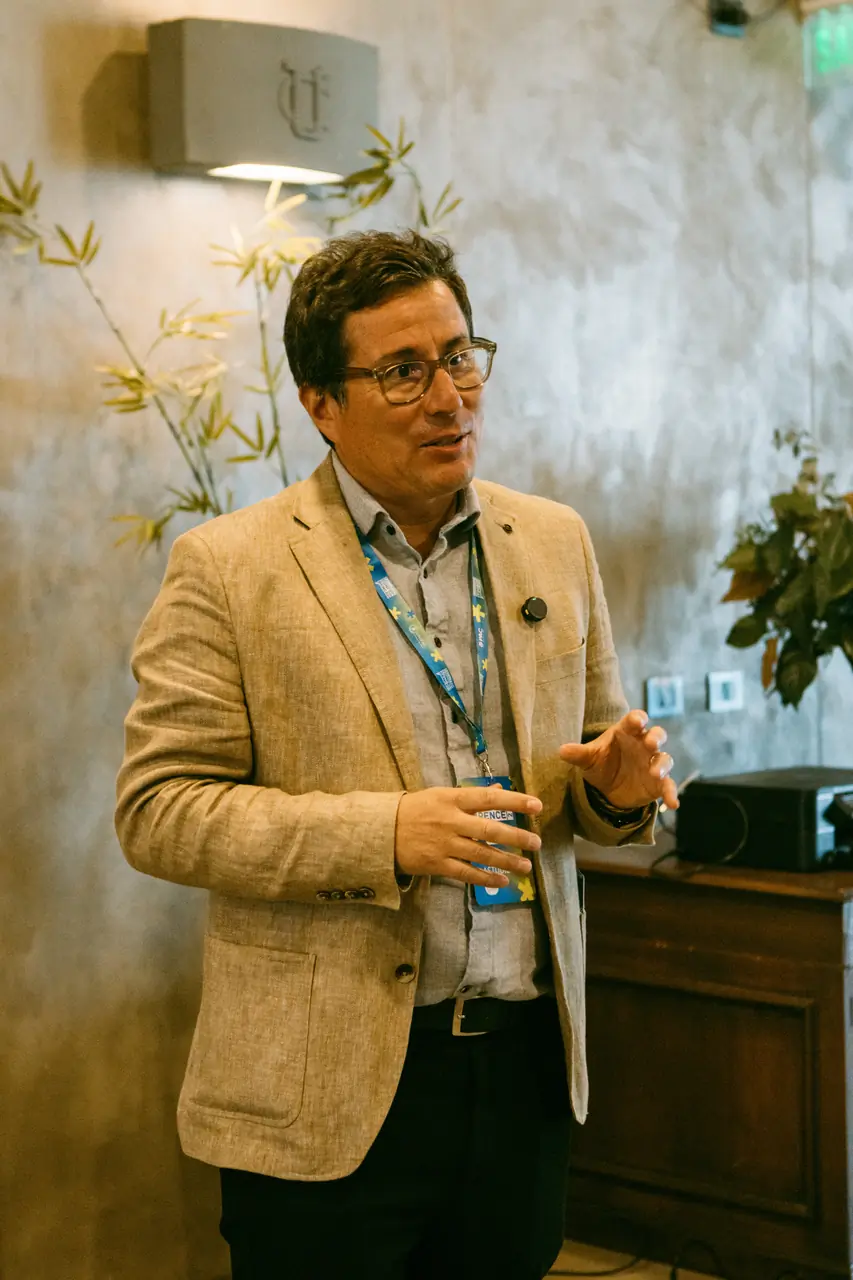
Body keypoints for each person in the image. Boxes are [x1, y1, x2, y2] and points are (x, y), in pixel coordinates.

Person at [115, 229, 677, 1280]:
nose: (449, 397)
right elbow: (160, 809)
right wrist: (384, 834)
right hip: (324, 1082)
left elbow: (590, 779)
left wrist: (616, 792)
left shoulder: (553, 540)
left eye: (460, 356)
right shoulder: (229, 567)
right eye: (404, 371)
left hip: (520, 1062)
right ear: (321, 404)